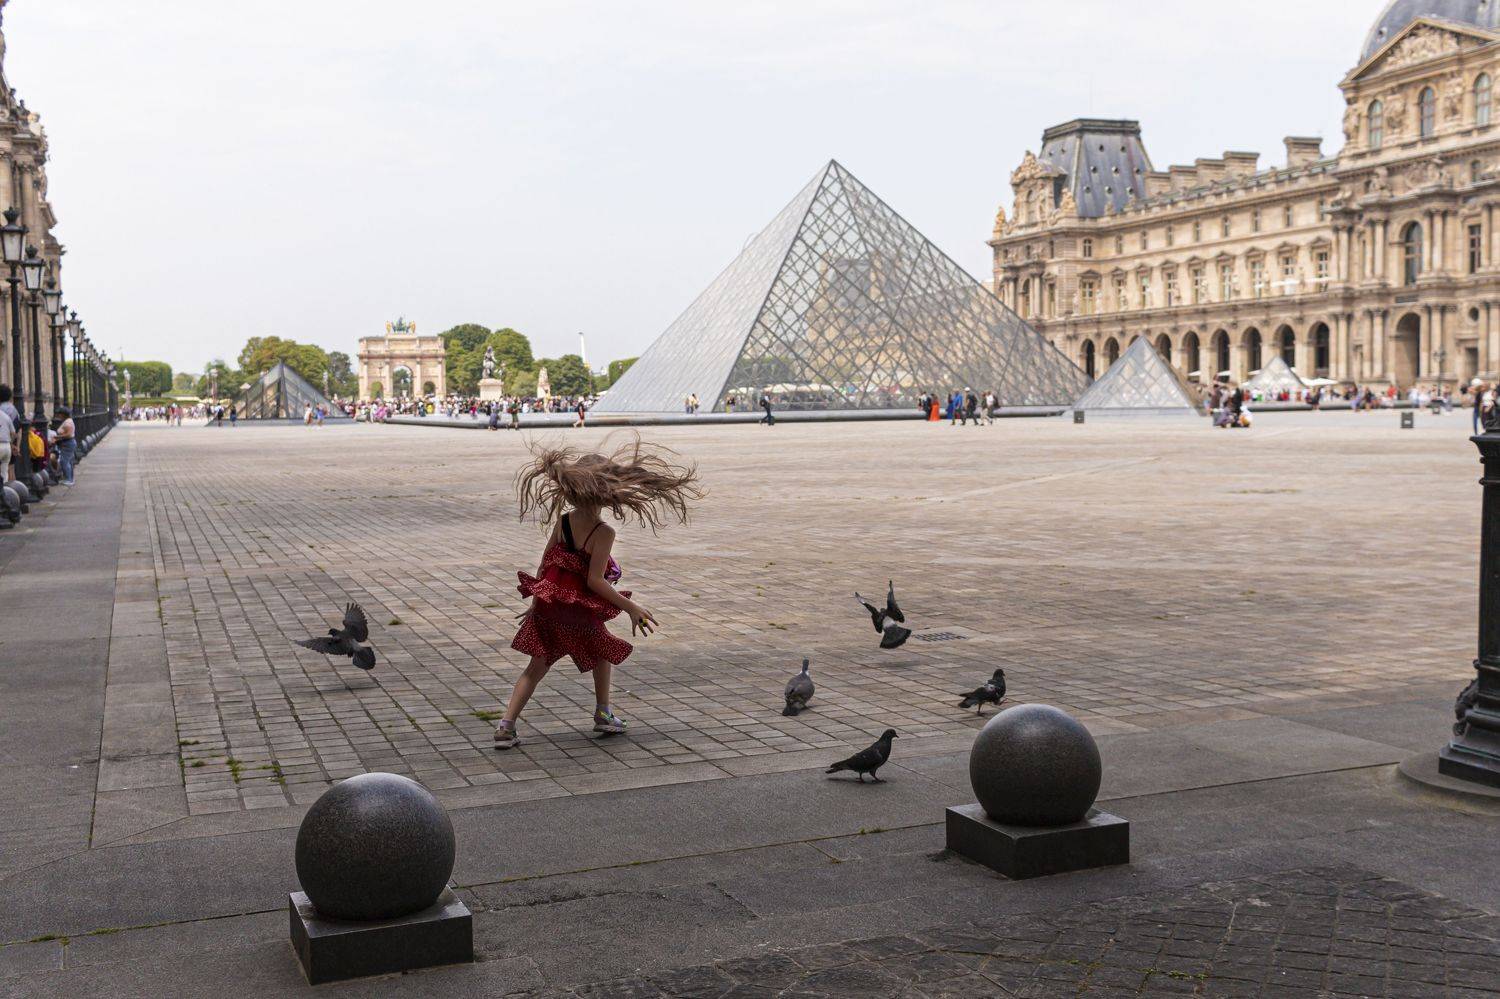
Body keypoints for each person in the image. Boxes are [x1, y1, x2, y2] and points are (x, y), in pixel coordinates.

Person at [492, 439, 703, 749]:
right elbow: (595, 581)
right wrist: (631, 606)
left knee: (536, 667)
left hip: (552, 608)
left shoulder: (564, 522)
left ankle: (506, 726)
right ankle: (603, 713)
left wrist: (537, 602)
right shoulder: (603, 532)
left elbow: (545, 563)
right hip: (578, 611)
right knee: (602, 652)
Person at [53, 406, 75, 486]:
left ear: (63, 414)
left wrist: (57, 437)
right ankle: (69, 479)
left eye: (59, 414)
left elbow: (69, 434)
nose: (58, 416)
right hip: (67, 443)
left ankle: (69, 479)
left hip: (68, 443)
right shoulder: (67, 421)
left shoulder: (68, 422)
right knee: (68, 461)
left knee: (64, 461)